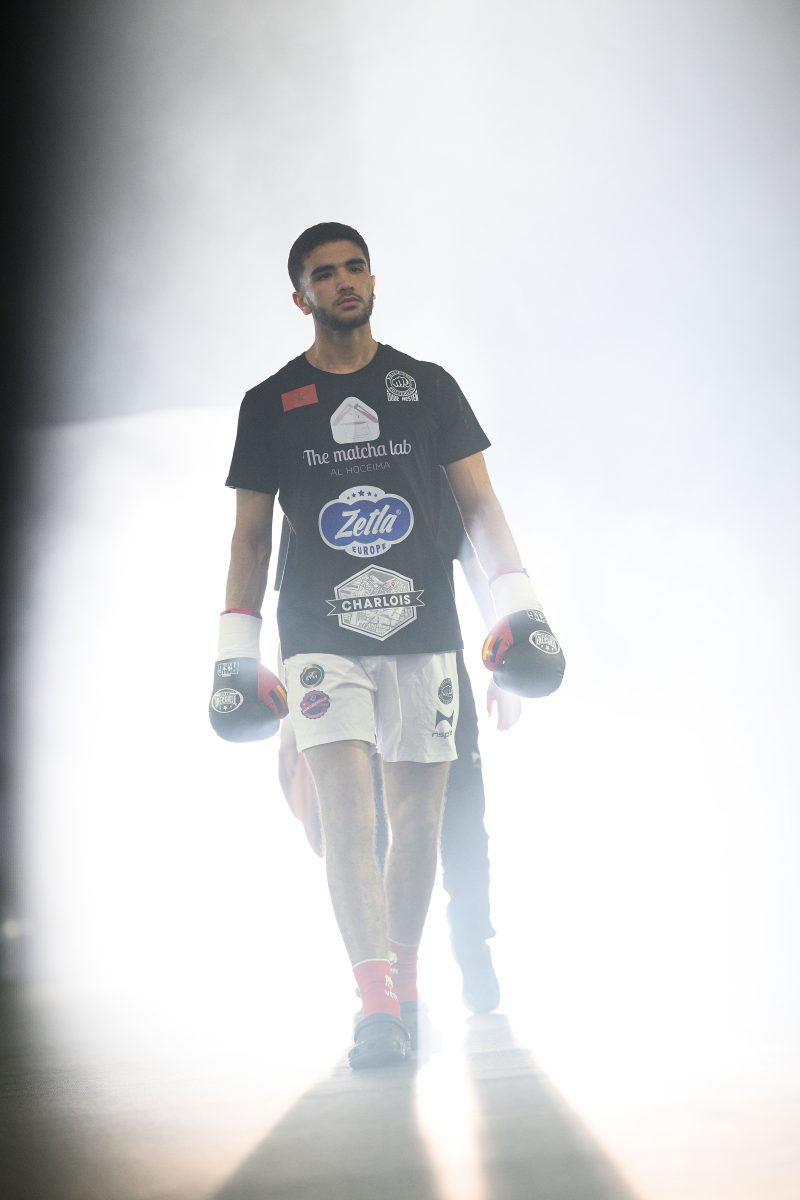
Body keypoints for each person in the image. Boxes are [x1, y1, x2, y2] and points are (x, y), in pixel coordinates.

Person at [210, 221, 564, 1069]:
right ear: (301, 297)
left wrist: (520, 609)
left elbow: (478, 508)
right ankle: (373, 1004)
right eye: (325, 275)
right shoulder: (271, 404)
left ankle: (405, 980)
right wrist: (234, 651)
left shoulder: (428, 388)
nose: (344, 283)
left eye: (355, 268)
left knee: (419, 820)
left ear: (373, 280)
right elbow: (251, 539)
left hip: (425, 629)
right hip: (321, 633)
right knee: (348, 812)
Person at [275, 477, 523, 1016]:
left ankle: (471, 945)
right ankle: (381, 981)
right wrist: (291, 710)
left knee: (461, 817)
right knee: (373, 827)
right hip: (345, 671)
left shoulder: (426, 469)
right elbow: (291, 598)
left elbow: (477, 565)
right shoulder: (316, 479)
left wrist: (504, 669)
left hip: (433, 659)